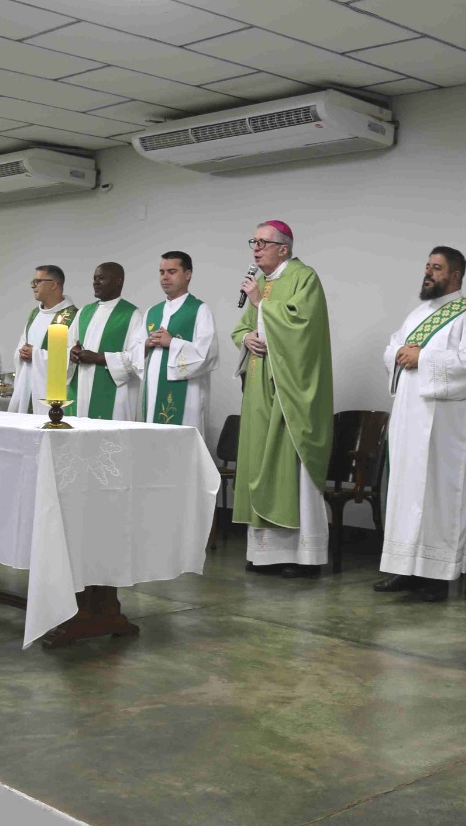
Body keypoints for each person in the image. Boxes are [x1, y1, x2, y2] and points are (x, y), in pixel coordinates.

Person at [374, 247, 466, 602]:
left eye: (436, 268)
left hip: (444, 427)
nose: (428, 273)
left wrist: (422, 356)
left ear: (454, 275)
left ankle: (437, 576)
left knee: (438, 496)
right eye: (427, 266)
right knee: (407, 493)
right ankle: (404, 568)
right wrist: (399, 354)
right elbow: (394, 347)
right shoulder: (418, 313)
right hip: (410, 420)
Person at [230, 221, 334, 578]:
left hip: (291, 392)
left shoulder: (304, 277)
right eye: (253, 242)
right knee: (260, 463)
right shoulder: (262, 282)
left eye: (263, 242)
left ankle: (302, 555)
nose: (256, 248)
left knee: (289, 466)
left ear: (284, 249)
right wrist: (247, 339)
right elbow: (242, 327)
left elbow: (304, 327)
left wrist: (263, 307)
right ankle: (265, 554)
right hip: (260, 388)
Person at [137, 251, 218, 437]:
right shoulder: (152, 312)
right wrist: (147, 344)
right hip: (153, 390)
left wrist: (171, 342)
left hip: (188, 394)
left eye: (171, 271)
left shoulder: (199, 310)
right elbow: (135, 351)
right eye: (161, 272)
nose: (165, 277)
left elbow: (207, 355)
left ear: (187, 274)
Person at [69, 262, 146, 421]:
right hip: (82, 389)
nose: (95, 282)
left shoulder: (132, 315)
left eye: (101, 278)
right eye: (94, 278)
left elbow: (138, 358)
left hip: (115, 396)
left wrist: (98, 358)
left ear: (118, 281)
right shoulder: (84, 312)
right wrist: (72, 352)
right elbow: (68, 344)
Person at [7, 265, 76, 414]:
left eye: (37, 281)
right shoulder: (34, 314)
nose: (33, 286)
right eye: (33, 282)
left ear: (54, 284)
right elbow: (22, 344)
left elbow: (73, 357)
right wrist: (22, 353)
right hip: (27, 389)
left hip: (54, 396)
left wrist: (36, 355)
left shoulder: (73, 317)